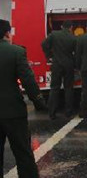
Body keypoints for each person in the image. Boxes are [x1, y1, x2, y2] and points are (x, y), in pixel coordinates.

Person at [0, 19, 47, 177]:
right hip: (13, 112)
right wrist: (38, 101)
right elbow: (28, 80)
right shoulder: (16, 52)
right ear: (7, 33)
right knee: (23, 153)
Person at [41, 20, 77, 119]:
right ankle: (68, 112)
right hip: (69, 65)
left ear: (61, 26)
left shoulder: (54, 35)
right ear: (71, 28)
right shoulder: (73, 38)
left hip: (56, 64)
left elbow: (43, 44)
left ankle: (52, 113)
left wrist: (49, 55)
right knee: (68, 88)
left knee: (54, 88)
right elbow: (76, 53)